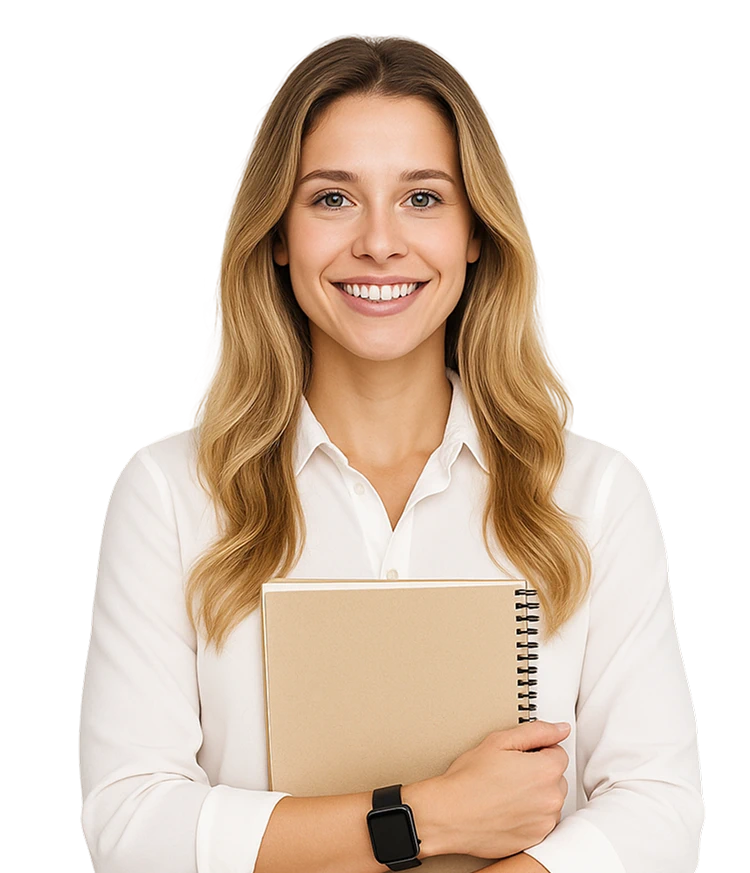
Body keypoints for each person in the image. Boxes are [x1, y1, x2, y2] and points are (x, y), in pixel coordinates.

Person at [79, 32, 704, 873]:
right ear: (276, 234)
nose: (379, 242)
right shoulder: (168, 493)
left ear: (477, 231)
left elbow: (661, 816)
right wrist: (422, 818)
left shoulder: (593, 495)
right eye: (333, 199)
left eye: (422, 198)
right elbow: (130, 825)